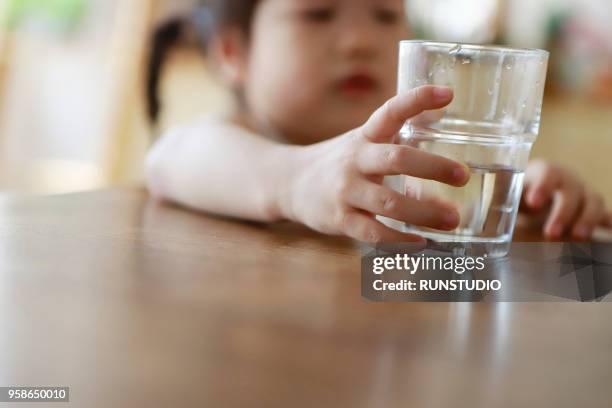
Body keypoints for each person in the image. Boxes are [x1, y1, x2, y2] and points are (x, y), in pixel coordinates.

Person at [145, 0, 610, 245]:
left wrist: (518, 200)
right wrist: (296, 179)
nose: (361, 41)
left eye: (386, 15)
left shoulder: (401, 164)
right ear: (233, 53)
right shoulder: (235, 141)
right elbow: (168, 158)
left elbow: (441, 221)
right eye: (318, 12)